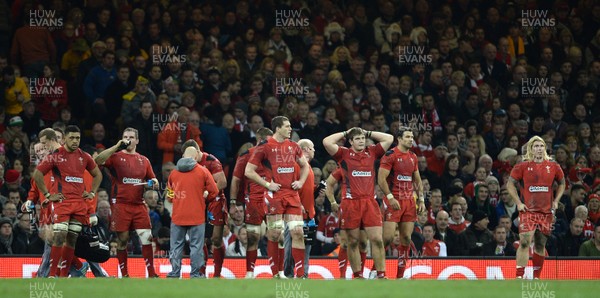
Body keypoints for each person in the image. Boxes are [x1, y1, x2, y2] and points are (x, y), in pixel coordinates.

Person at [322, 127, 394, 279]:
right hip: (351, 203)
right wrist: (345, 132)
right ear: (350, 141)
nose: (361, 141)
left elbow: (389, 138)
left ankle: (381, 274)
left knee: (377, 239)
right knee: (353, 242)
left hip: (370, 202)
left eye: (363, 138)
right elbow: (326, 141)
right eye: (357, 139)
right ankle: (358, 275)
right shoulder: (343, 154)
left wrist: (367, 132)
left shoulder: (372, 152)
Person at [245, 116, 311, 278]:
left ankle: (301, 274)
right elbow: (249, 171)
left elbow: (305, 166)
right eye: (287, 126)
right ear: (277, 128)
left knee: (297, 232)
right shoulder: (264, 147)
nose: (290, 129)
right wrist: (268, 185)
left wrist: (301, 182)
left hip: (292, 194)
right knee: (275, 233)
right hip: (274, 196)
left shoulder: (294, 146)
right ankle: (275, 273)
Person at [32, 125, 103, 277]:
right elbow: (38, 174)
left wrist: (92, 192)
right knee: (59, 236)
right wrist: (48, 195)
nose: (75, 141)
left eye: (77, 138)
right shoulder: (56, 155)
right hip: (62, 203)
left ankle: (64, 276)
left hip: (79, 204)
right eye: (71, 137)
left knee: (71, 240)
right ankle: (51, 275)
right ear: (64, 138)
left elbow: (98, 175)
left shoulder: (84, 156)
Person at [94, 128, 160, 278]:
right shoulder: (115, 157)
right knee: (122, 240)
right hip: (121, 205)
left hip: (138, 204)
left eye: (131, 137)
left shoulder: (144, 160)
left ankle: (152, 273)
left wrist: (154, 183)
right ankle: (124, 275)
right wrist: (117, 146)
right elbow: (98, 160)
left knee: (146, 238)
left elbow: (153, 179)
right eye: (125, 137)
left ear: (137, 140)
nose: (128, 139)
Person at [507, 136, 565, 279]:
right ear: (531, 149)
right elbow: (510, 184)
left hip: (546, 212)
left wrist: (556, 200)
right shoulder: (522, 166)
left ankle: (536, 276)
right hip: (528, 211)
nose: (539, 148)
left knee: (540, 244)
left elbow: (562, 183)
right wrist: (518, 203)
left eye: (541, 146)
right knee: (525, 241)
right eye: (536, 146)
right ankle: (519, 277)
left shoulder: (554, 166)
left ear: (544, 148)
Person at [377, 126, 425, 279]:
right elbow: (381, 179)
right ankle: (376, 271)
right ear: (399, 139)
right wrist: (390, 197)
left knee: (406, 238)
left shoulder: (413, 156)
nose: (411, 139)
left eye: (412, 137)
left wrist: (422, 199)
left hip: (409, 201)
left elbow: (417, 180)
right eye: (408, 137)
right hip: (394, 200)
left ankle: (400, 276)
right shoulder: (390, 155)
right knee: (388, 238)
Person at [166, 147, 218, 278]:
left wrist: (177, 198)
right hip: (197, 216)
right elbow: (215, 191)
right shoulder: (203, 171)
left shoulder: (173, 173)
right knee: (196, 247)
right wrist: (204, 197)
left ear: (183, 156)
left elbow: (169, 196)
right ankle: (195, 274)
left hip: (178, 216)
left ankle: (174, 272)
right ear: (195, 157)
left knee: (176, 246)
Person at [180, 139, 228, 278]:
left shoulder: (212, 161)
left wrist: (208, 192)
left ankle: (217, 274)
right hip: (198, 203)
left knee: (216, 239)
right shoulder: (187, 165)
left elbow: (223, 182)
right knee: (199, 239)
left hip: (215, 201)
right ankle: (201, 272)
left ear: (197, 151)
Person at [230, 127, 273, 279]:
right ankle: (250, 272)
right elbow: (236, 179)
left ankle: (279, 272)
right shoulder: (246, 154)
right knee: (253, 237)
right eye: (268, 140)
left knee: (276, 235)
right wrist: (233, 201)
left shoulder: (275, 155)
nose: (270, 143)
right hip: (253, 201)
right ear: (260, 140)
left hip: (273, 199)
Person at [284, 139, 316, 278]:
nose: (314, 150)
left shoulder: (307, 166)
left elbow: (304, 189)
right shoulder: (296, 165)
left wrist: (316, 189)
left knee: (305, 249)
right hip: (295, 213)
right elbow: (290, 186)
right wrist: (298, 204)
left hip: (308, 215)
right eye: (313, 147)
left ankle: (303, 276)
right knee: (290, 250)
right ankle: (287, 277)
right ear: (307, 149)